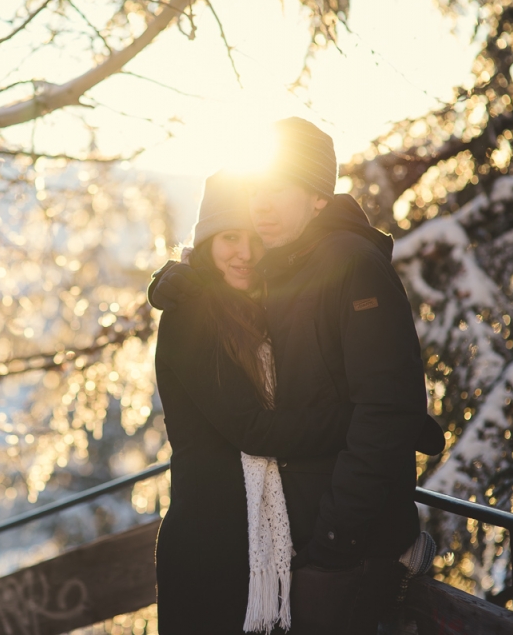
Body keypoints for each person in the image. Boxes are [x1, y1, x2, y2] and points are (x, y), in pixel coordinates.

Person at [150, 118, 443, 634]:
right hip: (246, 549)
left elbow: (383, 405)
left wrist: (335, 540)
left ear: (316, 198)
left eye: (277, 189)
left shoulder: (341, 268)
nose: (261, 208)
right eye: (256, 191)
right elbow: (262, 423)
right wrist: (178, 279)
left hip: (322, 547)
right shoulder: (234, 294)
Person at [154, 170, 360, 634]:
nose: (245, 253)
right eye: (229, 237)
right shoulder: (191, 314)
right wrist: (357, 421)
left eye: (253, 238)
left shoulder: (262, 309)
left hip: (257, 549)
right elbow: (252, 429)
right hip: (209, 551)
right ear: (206, 241)